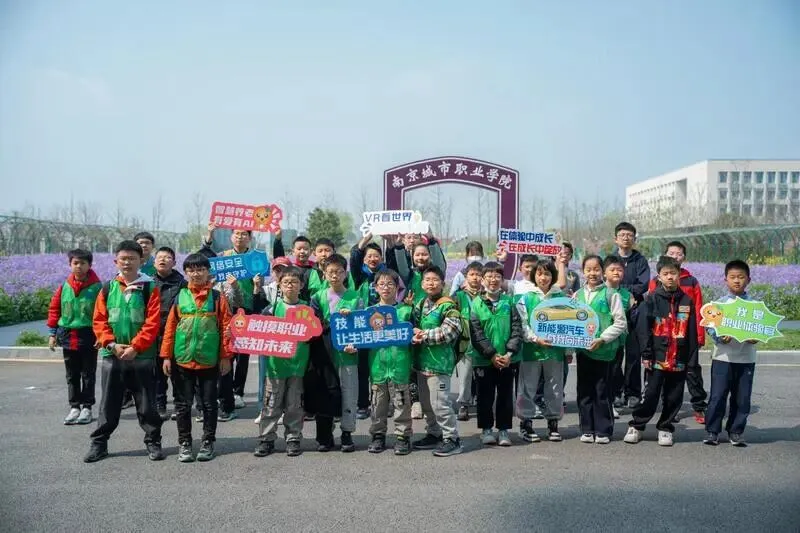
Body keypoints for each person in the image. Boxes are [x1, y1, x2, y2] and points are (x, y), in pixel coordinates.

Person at [84, 240, 163, 463]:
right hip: (113, 355)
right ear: (115, 261)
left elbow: (152, 323)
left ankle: (153, 441)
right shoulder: (107, 288)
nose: (127, 262)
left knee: (147, 404)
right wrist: (111, 345)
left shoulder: (150, 288)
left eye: (132, 258)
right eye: (123, 258)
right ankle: (99, 444)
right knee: (108, 403)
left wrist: (136, 347)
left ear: (142, 261)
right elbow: (99, 321)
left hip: (142, 356)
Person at [160, 253, 233, 462]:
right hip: (182, 359)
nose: (196, 274)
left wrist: (226, 356)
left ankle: (208, 441)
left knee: (209, 404)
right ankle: (184, 443)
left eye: (200, 269)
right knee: (183, 405)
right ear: (186, 272)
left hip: (209, 359)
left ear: (208, 272)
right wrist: (166, 356)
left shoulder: (217, 298)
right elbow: (170, 328)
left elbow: (227, 327)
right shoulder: (180, 296)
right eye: (191, 270)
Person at [624, 256, 697, 447]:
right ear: (659, 276)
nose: (670, 277)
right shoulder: (651, 299)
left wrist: (691, 359)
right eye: (666, 274)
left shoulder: (686, 300)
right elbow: (643, 330)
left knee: (674, 396)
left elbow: (691, 331)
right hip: (657, 357)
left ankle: (665, 427)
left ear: (679, 275)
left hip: (679, 358)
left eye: (673, 273)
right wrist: (646, 354)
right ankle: (637, 425)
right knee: (650, 394)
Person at [253, 267, 312, 457]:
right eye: (286, 282)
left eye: (294, 282)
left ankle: (293, 438)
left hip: (298, 365)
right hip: (275, 366)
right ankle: (266, 439)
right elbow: (258, 331)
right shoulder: (271, 309)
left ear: (301, 285)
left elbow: (314, 334)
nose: (290, 286)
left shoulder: (308, 309)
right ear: (280, 285)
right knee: (271, 403)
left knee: (295, 405)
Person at [647, 241, 708, 424]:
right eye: (671, 253)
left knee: (692, 371)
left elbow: (698, 310)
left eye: (679, 253)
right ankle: (669, 410)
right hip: (664, 338)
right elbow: (652, 311)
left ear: (684, 258)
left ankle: (699, 406)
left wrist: (699, 335)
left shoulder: (691, 281)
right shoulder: (656, 281)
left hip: (685, 337)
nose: (675, 256)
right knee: (666, 373)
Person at [310, 254, 363, 452]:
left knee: (349, 394)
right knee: (325, 393)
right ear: (324, 274)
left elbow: (362, 329)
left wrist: (354, 338)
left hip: (348, 355)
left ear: (345, 273)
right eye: (330, 272)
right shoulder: (317, 297)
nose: (335, 276)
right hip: (325, 356)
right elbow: (314, 325)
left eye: (339, 272)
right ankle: (325, 435)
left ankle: (347, 433)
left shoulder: (355, 298)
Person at [703, 260, 758, 447]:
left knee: (742, 398)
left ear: (748, 280)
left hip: (746, 358)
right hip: (722, 357)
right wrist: (719, 337)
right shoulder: (719, 304)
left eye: (741, 277)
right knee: (717, 396)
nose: (737, 281)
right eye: (733, 277)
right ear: (725, 280)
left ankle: (735, 431)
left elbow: (760, 328)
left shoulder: (755, 306)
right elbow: (710, 327)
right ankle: (712, 431)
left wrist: (755, 338)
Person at [411, 266, 464, 457]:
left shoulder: (448, 306)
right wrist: (412, 332)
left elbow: (450, 332)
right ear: (422, 284)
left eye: (435, 280)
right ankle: (434, 433)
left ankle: (452, 438)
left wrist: (423, 335)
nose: (431, 283)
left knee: (440, 404)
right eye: (427, 280)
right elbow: (411, 326)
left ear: (442, 284)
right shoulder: (420, 304)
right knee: (427, 404)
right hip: (422, 363)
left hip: (439, 364)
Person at [574, 255, 627, 444]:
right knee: (584, 391)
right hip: (583, 352)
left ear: (603, 272)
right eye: (588, 269)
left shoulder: (611, 294)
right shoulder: (577, 295)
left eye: (596, 269)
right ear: (583, 272)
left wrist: (602, 339)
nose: (592, 273)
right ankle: (587, 429)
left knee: (602, 391)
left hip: (605, 351)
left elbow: (620, 323)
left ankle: (603, 430)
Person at [469, 262, 523, 447]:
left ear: (502, 279)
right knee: (485, 396)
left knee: (505, 396)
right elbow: (476, 333)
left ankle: (503, 429)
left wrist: (508, 353)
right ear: (482, 280)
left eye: (497, 276)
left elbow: (517, 328)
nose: (493, 280)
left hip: (508, 359)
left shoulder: (509, 302)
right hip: (483, 360)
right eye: (489, 276)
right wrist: (492, 355)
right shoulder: (476, 304)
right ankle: (486, 429)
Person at [47, 249, 102, 426]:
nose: (78, 266)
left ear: (89, 265)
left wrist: (101, 335)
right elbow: (54, 309)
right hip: (68, 335)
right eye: (75, 263)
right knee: (72, 374)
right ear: (70, 264)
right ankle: (74, 407)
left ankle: (87, 407)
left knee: (88, 373)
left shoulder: (98, 288)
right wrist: (52, 333)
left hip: (88, 335)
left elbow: (103, 313)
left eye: (82, 263)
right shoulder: (64, 287)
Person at [516, 258, 569, 442]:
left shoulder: (561, 298)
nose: (543, 277)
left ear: (553, 276)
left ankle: (553, 423)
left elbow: (569, 324)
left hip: (555, 351)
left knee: (555, 387)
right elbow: (522, 324)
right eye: (539, 273)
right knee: (528, 387)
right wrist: (535, 338)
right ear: (534, 276)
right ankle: (526, 423)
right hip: (532, 350)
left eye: (547, 273)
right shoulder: (526, 298)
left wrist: (569, 350)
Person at [367, 269, 414, 455]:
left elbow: (414, 336)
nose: (385, 288)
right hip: (377, 366)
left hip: (400, 366)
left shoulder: (406, 311)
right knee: (378, 403)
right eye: (381, 284)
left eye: (390, 284)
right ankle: (378, 435)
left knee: (401, 402)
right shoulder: (368, 313)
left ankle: (403, 437)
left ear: (397, 288)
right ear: (376, 288)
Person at [212, 226, 255, 421]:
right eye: (237, 234)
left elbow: (258, 287)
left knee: (243, 354)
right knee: (226, 351)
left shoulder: (254, 259)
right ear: (231, 237)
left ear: (249, 238)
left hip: (246, 309)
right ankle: (224, 392)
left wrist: (257, 285)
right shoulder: (223, 257)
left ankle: (238, 392)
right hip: (226, 309)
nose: (240, 237)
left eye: (244, 234)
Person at [350, 233, 388, 419]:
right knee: (363, 368)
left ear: (381, 258)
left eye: (376, 256)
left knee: (383, 365)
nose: (373, 259)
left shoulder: (387, 274)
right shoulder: (359, 276)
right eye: (369, 256)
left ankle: (383, 403)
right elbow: (354, 259)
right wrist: (364, 241)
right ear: (364, 259)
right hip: (364, 327)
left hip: (384, 325)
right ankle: (363, 404)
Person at [614, 222, 650, 409]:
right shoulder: (611, 260)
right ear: (616, 239)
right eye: (622, 235)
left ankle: (633, 393)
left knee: (633, 355)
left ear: (634, 239)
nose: (626, 238)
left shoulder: (640, 260)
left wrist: (624, 290)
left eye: (629, 235)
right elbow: (608, 282)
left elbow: (643, 285)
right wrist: (626, 293)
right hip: (614, 310)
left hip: (635, 312)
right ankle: (616, 391)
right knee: (614, 354)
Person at [254, 256, 292, 423]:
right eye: (277, 270)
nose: (280, 273)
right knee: (265, 375)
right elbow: (257, 312)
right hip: (267, 339)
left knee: (287, 377)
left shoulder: (295, 289)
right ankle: (263, 410)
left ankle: (283, 410)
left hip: (287, 339)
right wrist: (256, 290)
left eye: (284, 269)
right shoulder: (265, 289)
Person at [151, 246, 187, 421]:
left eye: (167, 257)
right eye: (159, 257)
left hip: (176, 333)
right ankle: (160, 405)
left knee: (177, 373)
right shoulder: (148, 283)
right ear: (154, 262)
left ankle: (179, 405)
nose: (162, 260)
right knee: (158, 374)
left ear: (174, 262)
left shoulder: (182, 284)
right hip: (154, 334)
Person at [452, 261, 483, 421]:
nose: (475, 278)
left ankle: (482, 401)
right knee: (465, 376)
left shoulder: (487, 295)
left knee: (482, 375)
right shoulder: (458, 296)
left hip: (485, 343)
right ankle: (464, 404)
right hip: (466, 343)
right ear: (465, 277)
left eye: (478, 274)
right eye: (472, 274)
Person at [604, 255, 634, 419]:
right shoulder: (599, 292)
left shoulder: (627, 295)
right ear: (604, 272)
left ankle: (611, 402)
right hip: (599, 341)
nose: (616, 272)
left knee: (614, 372)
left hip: (618, 342)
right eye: (612, 269)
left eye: (620, 270)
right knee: (601, 374)